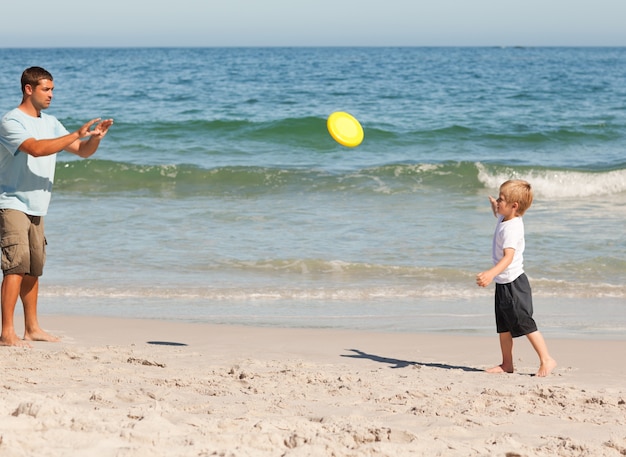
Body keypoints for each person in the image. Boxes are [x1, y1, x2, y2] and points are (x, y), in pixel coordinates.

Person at [0, 66, 113, 347]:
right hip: (11, 202)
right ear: (29, 89)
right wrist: (76, 133)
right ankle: (6, 332)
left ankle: (33, 328)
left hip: (38, 206)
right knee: (15, 267)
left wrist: (94, 137)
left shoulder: (51, 122)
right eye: (46, 89)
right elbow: (36, 148)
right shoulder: (11, 121)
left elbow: (83, 152)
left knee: (33, 269)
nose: (51, 95)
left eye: (52, 89)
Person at [476, 179, 557, 377]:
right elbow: (499, 211)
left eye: (501, 199)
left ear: (514, 206)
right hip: (503, 284)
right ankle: (507, 364)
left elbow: (508, 257)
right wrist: (494, 207)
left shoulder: (512, 228)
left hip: (513, 283)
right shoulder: (505, 216)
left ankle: (547, 359)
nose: (497, 201)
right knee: (503, 327)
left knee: (524, 323)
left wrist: (490, 273)